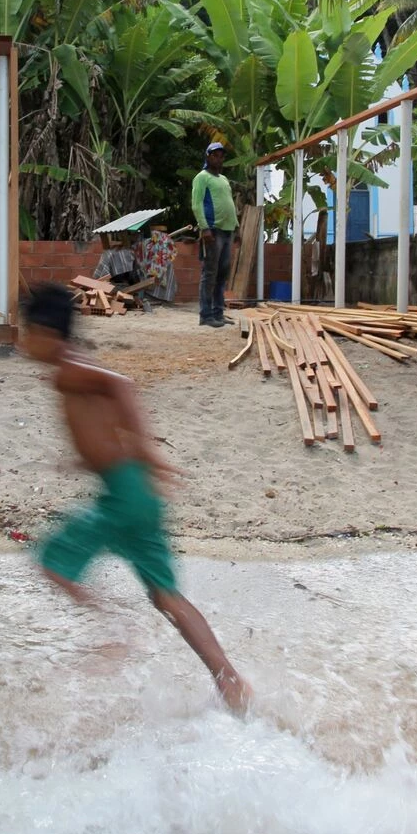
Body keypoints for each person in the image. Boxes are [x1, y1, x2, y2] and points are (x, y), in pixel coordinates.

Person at [22, 283, 252, 714]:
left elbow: (123, 385)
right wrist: (87, 460)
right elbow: (102, 426)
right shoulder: (69, 370)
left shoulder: (68, 369)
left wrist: (146, 448)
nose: (22, 343)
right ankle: (230, 679)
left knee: (52, 560)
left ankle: (115, 631)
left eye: (26, 332)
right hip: (134, 489)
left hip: (126, 492)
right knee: (167, 596)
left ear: (46, 332)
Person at [191, 140, 238, 328]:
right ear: (208, 157)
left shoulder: (224, 180)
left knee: (222, 274)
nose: (219, 159)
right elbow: (196, 204)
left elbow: (229, 204)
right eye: (215, 155)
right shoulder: (202, 178)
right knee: (210, 273)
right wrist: (204, 228)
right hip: (213, 230)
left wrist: (237, 227)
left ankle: (219, 313)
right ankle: (206, 315)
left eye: (221, 156)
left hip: (227, 231)